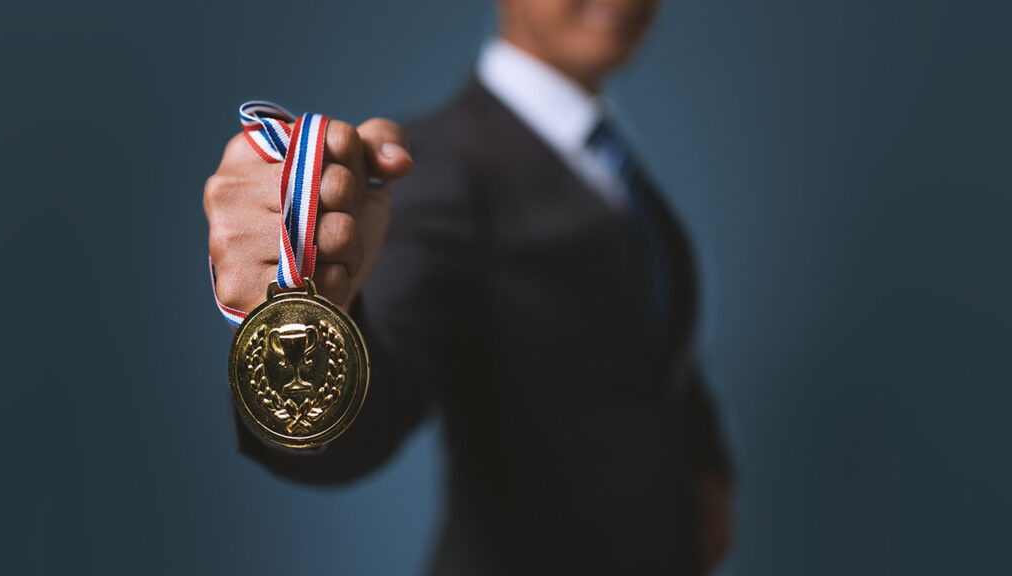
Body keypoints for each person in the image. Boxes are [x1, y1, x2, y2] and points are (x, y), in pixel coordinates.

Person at [204, 0, 733, 573]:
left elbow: (647, 337)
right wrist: (290, 319)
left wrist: (708, 468)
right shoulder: (437, 169)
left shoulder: (613, 160)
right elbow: (351, 435)